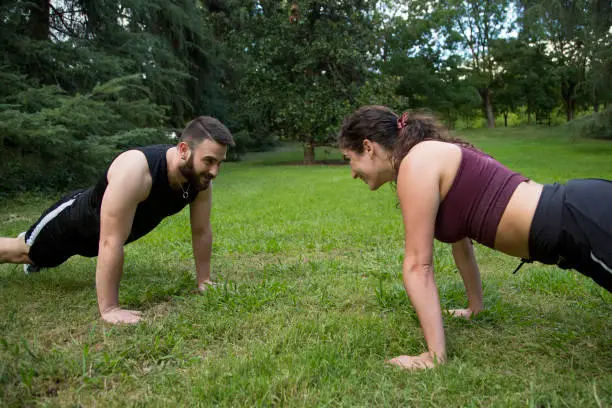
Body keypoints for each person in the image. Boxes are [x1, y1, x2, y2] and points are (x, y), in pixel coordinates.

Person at [338, 105, 612, 371]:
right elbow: (462, 245)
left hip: (580, 224)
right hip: (578, 222)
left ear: (368, 147)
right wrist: (475, 307)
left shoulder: (416, 163)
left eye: (350, 160)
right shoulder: (427, 156)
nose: (352, 173)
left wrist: (433, 356)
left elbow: (417, 266)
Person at [0, 116, 235, 324]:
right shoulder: (137, 170)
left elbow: (201, 230)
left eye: (219, 163)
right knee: (24, 252)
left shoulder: (199, 181)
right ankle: (32, 251)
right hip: (74, 223)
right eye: (209, 161)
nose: (215, 171)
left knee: (49, 258)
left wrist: (204, 280)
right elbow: (110, 241)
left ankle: (38, 258)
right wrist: (110, 309)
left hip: (102, 239)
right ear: (184, 149)